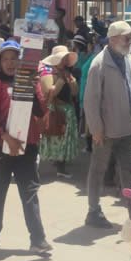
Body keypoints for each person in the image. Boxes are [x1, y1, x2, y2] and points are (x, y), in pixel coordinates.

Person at [0, 41, 52, 253]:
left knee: (30, 191)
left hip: (27, 145)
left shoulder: (29, 81)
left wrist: (36, 89)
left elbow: (41, 111)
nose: (10, 63)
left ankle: (38, 239)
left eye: (14, 59)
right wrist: (5, 136)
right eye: (6, 59)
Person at [83, 21, 131, 229]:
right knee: (98, 171)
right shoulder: (98, 65)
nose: (130, 41)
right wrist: (96, 130)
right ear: (113, 39)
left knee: (129, 172)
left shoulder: (130, 60)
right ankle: (93, 211)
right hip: (106, 131)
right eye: (127, 38)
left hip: (127, 128)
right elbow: (90, 101)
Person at [38, 45, 80, 178]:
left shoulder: (67, 72)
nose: (65, 60)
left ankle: (60, 162)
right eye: (63, 58)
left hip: (67, 109)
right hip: (58, 110)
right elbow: (49, 92)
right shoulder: (48, 72)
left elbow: (75, 92)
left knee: (63, 138)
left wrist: (72, 82)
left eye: (66, 58)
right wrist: (61, 80)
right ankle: (60, 166)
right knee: (59, 138)